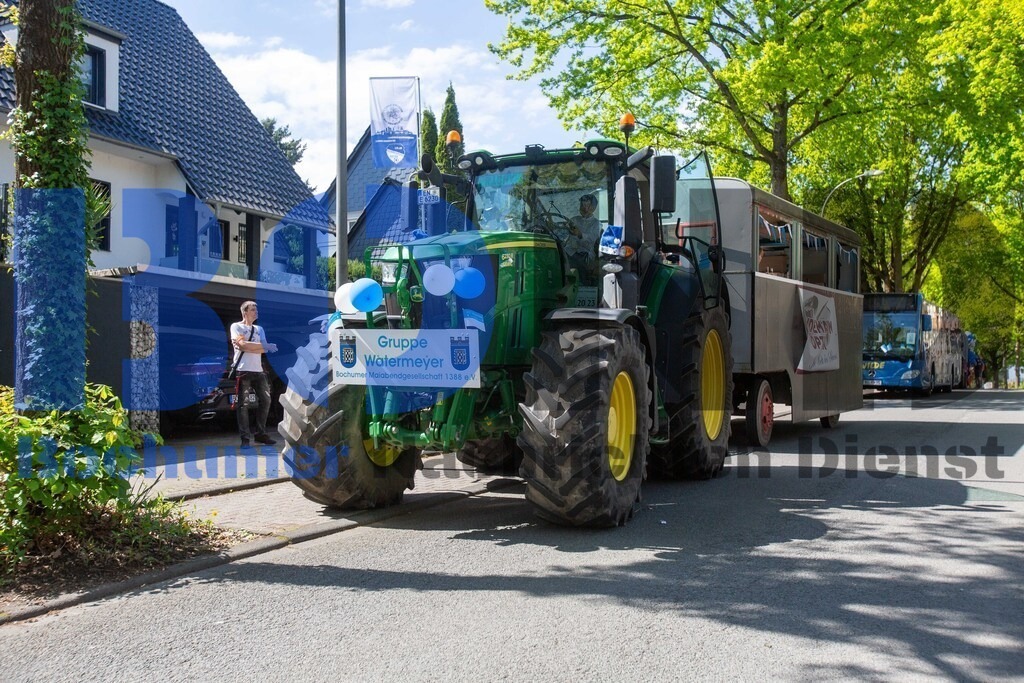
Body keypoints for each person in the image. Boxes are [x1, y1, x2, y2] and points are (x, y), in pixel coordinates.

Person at [230, 301, 278, 448]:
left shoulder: (259, 329)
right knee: (243, 405)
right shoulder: (236, 326)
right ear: (245, 312)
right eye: (252, 310)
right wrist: (264, 346)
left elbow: (263, 349)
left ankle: (260, 434)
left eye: (256, 310)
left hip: (258, 370)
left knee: (266, 400)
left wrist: (259, 347)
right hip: (243, 370)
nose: (256, 312)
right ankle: (245, 439)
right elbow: (242, 345)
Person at [562, 193, 602, 281]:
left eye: (587, 205)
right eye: (582, 205)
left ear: (593, 208)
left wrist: (579, 234)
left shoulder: (597, 224)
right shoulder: (574, 220)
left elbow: (591, 242)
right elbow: (564, 235)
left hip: (584, 256)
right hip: (568, 252)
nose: (584, 208)